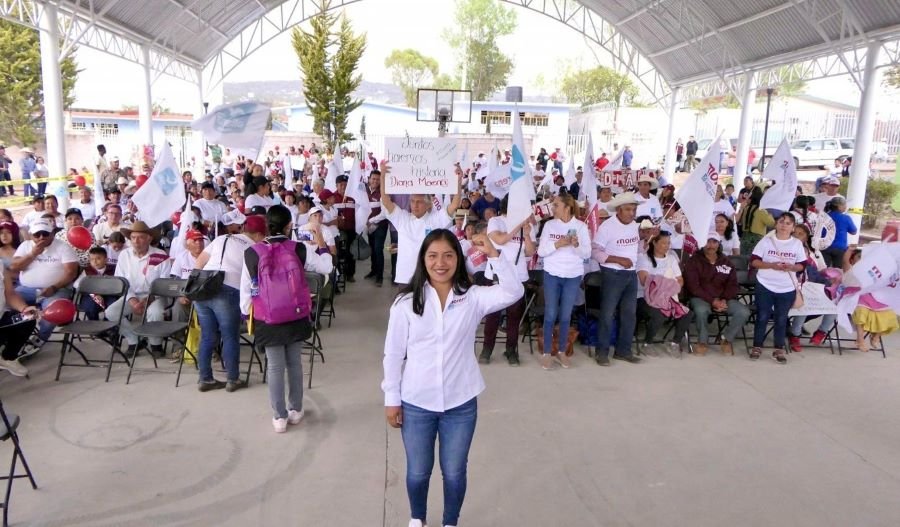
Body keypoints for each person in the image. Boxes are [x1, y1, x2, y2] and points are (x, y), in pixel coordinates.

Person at [382, 228, 523, 527]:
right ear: (423, 260)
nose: (440, 263)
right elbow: (393, 355)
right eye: (433, 256)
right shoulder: (405, 303)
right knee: (418, 471)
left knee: (455, 471)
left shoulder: (472, 298)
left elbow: (513, 292)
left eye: (448, 255)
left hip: (461, 403)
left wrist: (495, 254)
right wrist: (391, 398)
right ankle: (417, 518)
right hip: (416, 402)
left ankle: (450, 522)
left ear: (458, 260)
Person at [240, 205, 334, 432]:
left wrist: (246, 313)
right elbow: (326, 267)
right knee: (294, 362)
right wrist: (321, 244)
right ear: (289, 225)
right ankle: (296, 409)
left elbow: (246, 288)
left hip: (267, 316)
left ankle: (279, 417)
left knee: (274, 367)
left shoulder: (252, 252)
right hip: (295, 314)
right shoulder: (299, 248)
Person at [192, 215, 264, 392]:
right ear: (259, 234)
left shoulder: (221, 238)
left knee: (208, 336)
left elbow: (199, 262)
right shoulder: (254, 247)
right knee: (229, 336)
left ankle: (205, 378)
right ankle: (232, 379)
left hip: (204, 288)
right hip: (228, 289)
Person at [381, 162, 461, 286]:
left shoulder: (435, 220)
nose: (415, 205)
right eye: (412, 201)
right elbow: (386, 201)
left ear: (428, 204)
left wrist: (458, 179)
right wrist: (383, 176)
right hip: (405, 277)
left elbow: (455, 204)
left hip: (428, 278)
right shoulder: (402, 218)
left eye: (419, 202)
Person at [537, 194, 590, 370]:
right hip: (552, 274)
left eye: (556, 205)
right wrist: (557, 245)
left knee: (566, 315)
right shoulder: (549, 225)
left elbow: (587, 254)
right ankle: (546, 352)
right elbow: (541, 252)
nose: (553, 208)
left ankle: (561, 351)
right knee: (551, 314)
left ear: (567, 207)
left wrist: (576, 245)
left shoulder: (581, 227)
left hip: (573, 276)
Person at [10, 218, 79, 356]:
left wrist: (54, 287)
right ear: (31, 235)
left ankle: (38, 339)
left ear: (52, 233)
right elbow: (15, 267)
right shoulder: (25, 246)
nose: (41, 237)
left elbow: (71, 273)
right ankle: (14, 340)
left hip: (56, 289)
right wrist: (33, 254)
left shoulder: (63, 247)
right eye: (37, 234)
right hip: (27, 290)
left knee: (52, 312)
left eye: (45, 234)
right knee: (6, 303)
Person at [482, 196, 536, 366]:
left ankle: (511, 350)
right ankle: (487, 349)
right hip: (496, 275)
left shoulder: (527, 225)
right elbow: (499, 240)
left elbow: (530, 252)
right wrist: (518, 227)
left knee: (514, 316)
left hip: (518, 276)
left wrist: (526, 234)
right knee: (493, 315)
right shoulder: (495, 221)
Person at [106, 221, 173, 358]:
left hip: (155, 295)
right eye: (133, 237)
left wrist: (148, 300)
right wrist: (132, 300)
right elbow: (120, 281)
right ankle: (134, 340)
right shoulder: (125, 255)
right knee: (111, 313)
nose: (136, 241)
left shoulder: (160, 255)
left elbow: (163, 283)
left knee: (155, 312)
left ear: (149, 238)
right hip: (132, 295)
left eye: (141, 237)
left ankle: (156, 344)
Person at [590, 192, 642, 366]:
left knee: (629, 314)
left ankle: (623, 350)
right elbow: (595, 251)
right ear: (619, 210)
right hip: (613, 273)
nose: (632, 213)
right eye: (628, 209)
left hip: (631, 273)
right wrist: (618, 260)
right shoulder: (608, 227)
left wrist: (646, 240)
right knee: (607, 313)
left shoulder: (635, 225)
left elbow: (636, 247)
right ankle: (602, 352)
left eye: (633, 209)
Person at [749, 214, 806, 363]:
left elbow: (802, 264)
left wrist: (792, 267)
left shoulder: (796, 244)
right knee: (762, 316)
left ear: (793, 227)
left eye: (788, 223)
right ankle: (757, 346)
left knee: (781, 318)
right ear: (776, 224)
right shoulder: (766, 241)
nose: (784, 225)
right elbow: (754, 261)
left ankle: (779, 348)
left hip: (786, 287)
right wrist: (771, 266)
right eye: (781, 222)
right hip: (765, 284)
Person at [683, 233, 748, 355]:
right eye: (708, 242)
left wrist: (723, 299)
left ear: (719, 244)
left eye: (714, 242)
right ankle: (702, 341)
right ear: (702, 244)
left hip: (724, 298)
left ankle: (726, 339)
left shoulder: (726, 262)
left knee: (743, 312)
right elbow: (693, 287)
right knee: (701, 311)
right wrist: (713, 301)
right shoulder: (694, 261)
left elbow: (733, 284)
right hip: (700, 297)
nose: (711, 245)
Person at [636, 231, 691, 355]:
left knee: (686, 313)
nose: (667, 246)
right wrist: (668, 282)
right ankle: (647, 343)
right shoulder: (643, 258)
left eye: (668, 243)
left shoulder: (671, 259)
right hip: (646, 298)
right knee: (660, 313)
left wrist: (661, 283)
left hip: (667, 297)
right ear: (654, 243)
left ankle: (675, 343)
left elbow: (680, 280)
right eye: (663, 243)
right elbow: (645, 281)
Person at [788, 224, 837, 350]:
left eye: (801, 234)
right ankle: (795, 335)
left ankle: (822, 331)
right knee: (805, 303)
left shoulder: (812, 258)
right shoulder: (787, 256)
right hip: (792, 290)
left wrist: (830, 282)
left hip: (812, 289)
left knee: (834, 303)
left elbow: (820, 275)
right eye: (795, 233)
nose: (797, 236)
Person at [0, 264, 39, 376]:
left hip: (2, 319)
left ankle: (8, 358)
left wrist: (24, 308)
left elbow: (10, 294)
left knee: (27, 319)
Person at [736, 186, 774, 255]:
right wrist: (770, 215)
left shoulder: (745, 208)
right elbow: (771, 223)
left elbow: (739, 221)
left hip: (744, 237)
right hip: (757, 239)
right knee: (754, 259)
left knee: (743, 259)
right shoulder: (762, 211)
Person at [821, 196, 857, 268]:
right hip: (840, 249)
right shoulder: (846, 218)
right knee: (838, 271)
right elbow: (854, 231)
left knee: (824, 270)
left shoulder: (823, 216)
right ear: (839, 206)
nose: (845, 207)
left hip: (824, 246)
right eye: (844, 205)